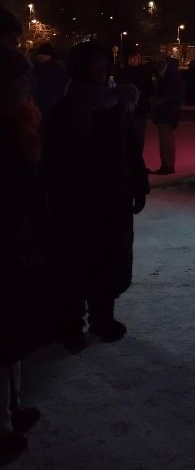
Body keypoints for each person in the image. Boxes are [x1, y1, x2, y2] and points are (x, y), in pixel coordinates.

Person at [44, 41, 148, 350]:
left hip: (113, 197)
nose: (104, 71)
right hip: (76, 200)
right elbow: (55, 159)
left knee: (110, 259)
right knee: (75, 261)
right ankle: (71, 324)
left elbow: (130, 149)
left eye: (106, 65)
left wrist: (139, 184)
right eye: (97, 65)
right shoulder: (67, 109)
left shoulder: (118, 103)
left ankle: (102, 317)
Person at [0, 46, 48, 461]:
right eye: (22, 78)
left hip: (18, 232)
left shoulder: (21, 119)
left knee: (11, 332)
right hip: (7, 235)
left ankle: (11, 408)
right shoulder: (8, 124)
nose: (29, 85)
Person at [149, 55, 184, 175]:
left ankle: (167, 165)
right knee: (166, 139)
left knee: (166, 139)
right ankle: (167, 164)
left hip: (166, 113)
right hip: (166, 113)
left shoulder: (169, 77)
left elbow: (173, 94)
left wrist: (160, 100)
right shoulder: (169, 76)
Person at [117, 52, 155, 155]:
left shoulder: (141, 73)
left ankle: (137, 157)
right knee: (129, 134)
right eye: (133, 58)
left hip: (139, 107)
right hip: (129, 107)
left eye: (137, 58)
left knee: (138, 134)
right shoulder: (125, 72)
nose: (135, 60)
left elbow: (150, 88)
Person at [30, 42, 68, 131]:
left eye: (43, 54)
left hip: (49, 103)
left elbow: (62, 86)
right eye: (40, 54)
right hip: (39, 102)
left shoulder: (56, 69)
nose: (40, 56)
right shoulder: (35, 67)